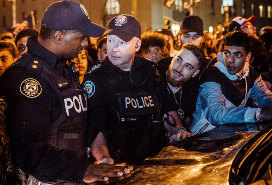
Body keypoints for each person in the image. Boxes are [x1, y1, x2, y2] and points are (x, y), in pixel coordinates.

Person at [0, 1, 131, 184]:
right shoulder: (27, 77)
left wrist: (101, 155)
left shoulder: (62, 68)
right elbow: (29, 150)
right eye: (81, 37)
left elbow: (78, 121)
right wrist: (84, 170)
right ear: (59, 35)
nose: (86, 44)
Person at [84, 14, 191, 164]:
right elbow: (95, 127)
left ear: (137, 45)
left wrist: (178, 130)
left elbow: (167, 108)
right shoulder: (95, 78)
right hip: (119, 163)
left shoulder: (150, 70)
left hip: (155, 160)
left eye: (121, 42)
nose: (113, 48)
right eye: (110, 41)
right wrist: (103, 158)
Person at [190, 31, 272, 135]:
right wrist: (258, 114)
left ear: (248, 57)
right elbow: (216, 115)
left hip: (229, 136)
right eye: (227, 53)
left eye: (237, 55)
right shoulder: (212, 74)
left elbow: (266, 98)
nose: (230, 60)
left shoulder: (251, 74)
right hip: (202, 138)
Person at [157, 43, 207, 130]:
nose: (179, 68)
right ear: (173, 57)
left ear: (195, 73)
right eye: (179, 60)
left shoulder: (192, 92)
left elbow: (188, 121)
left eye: (188, 66)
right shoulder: (152, 79)